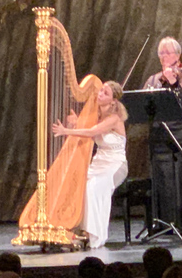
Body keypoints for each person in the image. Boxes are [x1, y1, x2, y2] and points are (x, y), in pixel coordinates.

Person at [52, 80, 128, 248]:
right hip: (99, 162)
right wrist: (76, 123)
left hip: (115, 165)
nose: (100, 94)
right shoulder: (94, 115)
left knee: (93, 187)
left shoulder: (114, 118)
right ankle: (80, 229)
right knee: (79, 185)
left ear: (113, 101)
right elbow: (87, 129)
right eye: (100, 91)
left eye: (105, 93)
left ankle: (93, 234)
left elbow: (92, 132)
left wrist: (67, 130)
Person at [143, 37, 182, 236]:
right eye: (161, 53)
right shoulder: (153, 79)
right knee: (162, 177)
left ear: (178, 56)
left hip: (178, 133)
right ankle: (163, 223)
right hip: (158, 134)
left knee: (181, 177)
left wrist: (172, 82)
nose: (164, 56)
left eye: (168, 53)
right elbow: (144, 103)